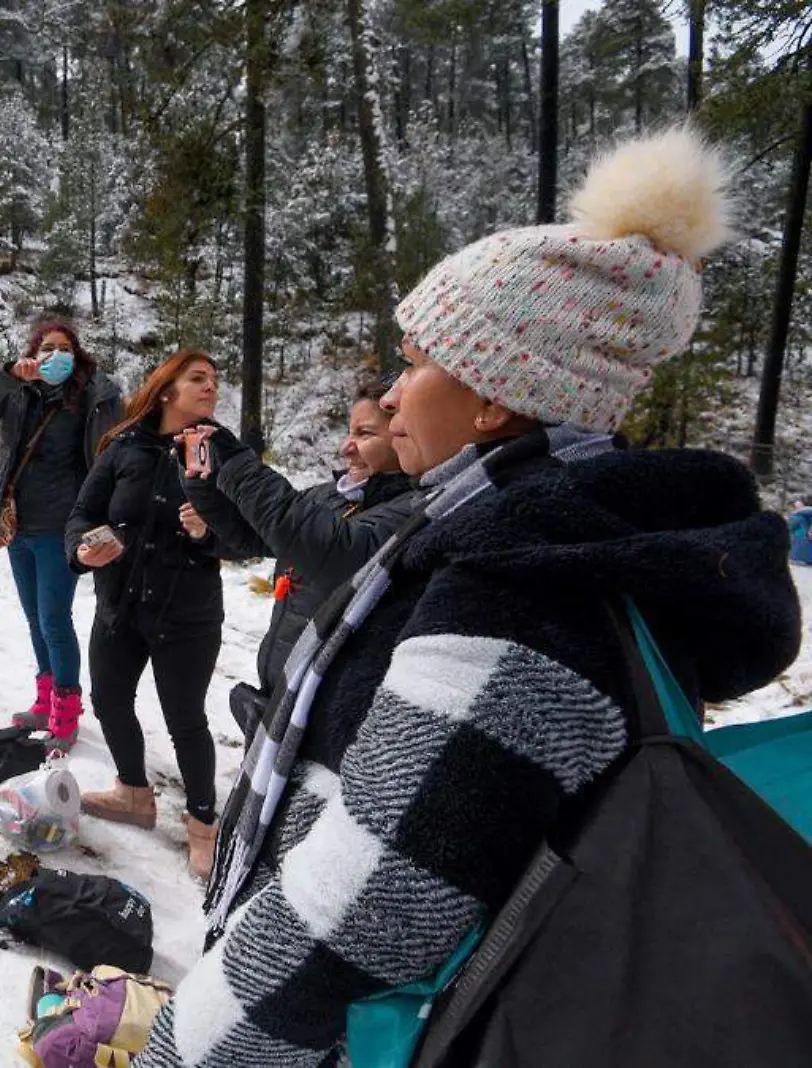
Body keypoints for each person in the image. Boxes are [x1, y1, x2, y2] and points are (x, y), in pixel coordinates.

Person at [135, 130, 801, 1066]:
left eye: (416, 364)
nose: (395, 397)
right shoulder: (557, 540)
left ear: (494, 396)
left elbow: (366, 912)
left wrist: (181, 1048)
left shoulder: (518, 593)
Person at [66, 352, 233, 878]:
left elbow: (250, 537)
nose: (211, 387)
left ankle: (203, 822)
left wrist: (209, 533)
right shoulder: (123, 446)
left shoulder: (222, 452)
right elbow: (83, 516)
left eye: (215, 380)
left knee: (186, 720)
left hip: (187, 616)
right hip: (120, 605)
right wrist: (81, 551)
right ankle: (134, 794)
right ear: (166, 390)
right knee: (109, 700)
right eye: (198, 378)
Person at [181, 381, 417, 735]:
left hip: (335, 712)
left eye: (364, 434)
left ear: (404, 434)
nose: (346, 448)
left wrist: (236, 463)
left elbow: (335, 549)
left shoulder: (410, 509)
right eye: (349, 432)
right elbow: (252, 534)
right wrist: (201, 480)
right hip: (286, 690)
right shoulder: (332, 496)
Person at [0, 318, 124, 751]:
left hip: (62, 527)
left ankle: (67, 712)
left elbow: (110, 453)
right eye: (46, 348)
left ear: (76, 355)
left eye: (64, 347)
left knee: (55, 620)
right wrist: (6, 374)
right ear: (33, 356)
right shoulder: (20, 392)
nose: (55, 355)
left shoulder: (91, 396)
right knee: (35, 618)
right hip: (19, 524)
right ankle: (45, 697)